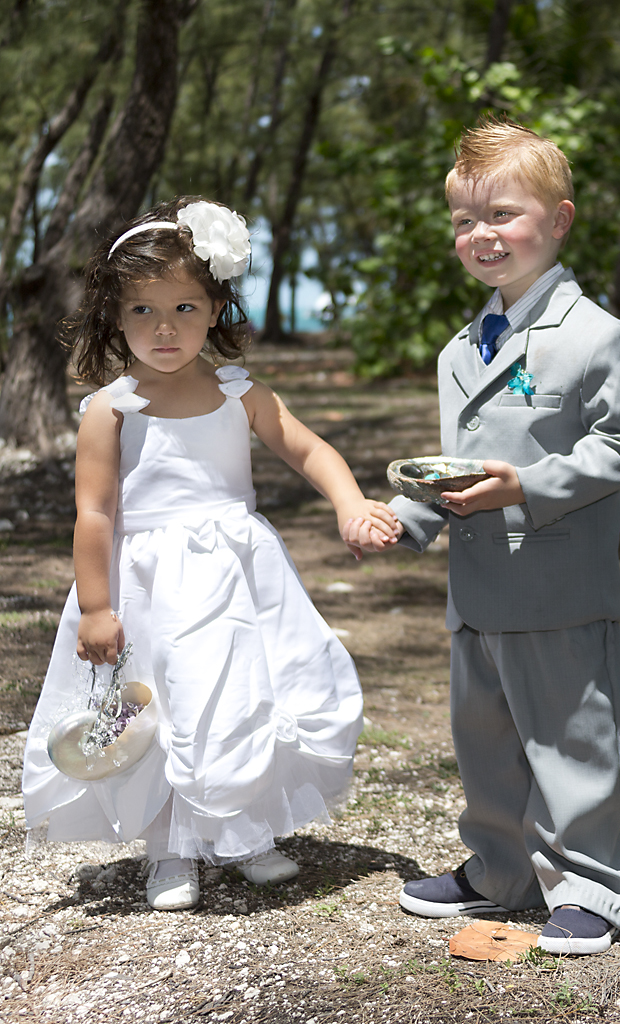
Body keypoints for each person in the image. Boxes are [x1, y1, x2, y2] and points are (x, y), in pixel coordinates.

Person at [22, 197, 399, 911]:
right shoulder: (113, 408)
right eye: (142, 312)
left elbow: (308, 448)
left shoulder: (238, 393)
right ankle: (169, 850)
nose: (164, 329)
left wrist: (351, 504)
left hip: (236, 575)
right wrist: (97, 608)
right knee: (164, 708)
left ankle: (242, 831)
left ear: (216, 310)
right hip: (150, 584)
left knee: (238, 698)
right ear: (115, 317)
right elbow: (95, 512)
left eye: (185, 309)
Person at [345, 118, 620, 955]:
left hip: (556, 588)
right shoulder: (457, 351)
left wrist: (530, 486)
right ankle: (499, 869)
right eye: (463, 222)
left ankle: (589, 885)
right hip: (475, 596)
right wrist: (400, 520)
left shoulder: (595, 336)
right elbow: (459, 469)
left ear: (558, 219)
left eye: (502, 215)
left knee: (568, 741)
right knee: (484, 740)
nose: (480, 236)